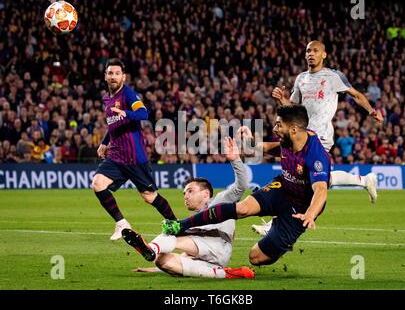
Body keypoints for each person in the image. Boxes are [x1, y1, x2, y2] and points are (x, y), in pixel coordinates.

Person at [162, 105, 330, 267]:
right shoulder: (290, 139)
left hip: (300, 209)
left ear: (293, 129)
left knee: (255, 258)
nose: (275, 129)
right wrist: (251, 142)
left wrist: (310, 214)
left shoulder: (316, 155)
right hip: (282, 188)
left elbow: (321, 189)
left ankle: (279, 230)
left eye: (279, 125)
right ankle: (181, 225)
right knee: (242, 208)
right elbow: (273, 149)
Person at [251, 40, 383, 236]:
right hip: (300, 134)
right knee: (318, 179)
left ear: (324, 55)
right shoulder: (301, 79)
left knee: (300, 180)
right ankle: (364, 180)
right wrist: (281, 100)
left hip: (320, 135)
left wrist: (372, 111)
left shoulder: (333, 76)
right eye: (308, 51)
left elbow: (355, 95)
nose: (311, 53)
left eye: (315, 50)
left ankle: (274, 224)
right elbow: (293, 108)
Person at [122, 137, 254, 279]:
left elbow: (242, 185)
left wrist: (235, 160)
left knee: (172, 233)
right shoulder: (196, 219)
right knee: (162, 261)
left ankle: (151, 248)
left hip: (218, 246)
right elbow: (190, 246)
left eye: (190, 191)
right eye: (184, 193)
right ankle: (225, 273)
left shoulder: (221, 201)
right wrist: (156, 269)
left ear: (205, 194)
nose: (185, 196)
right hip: (205, 254)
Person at [92, 58, 177, 240]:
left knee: (149, 196)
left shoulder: (128, 95)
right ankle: (122, 224)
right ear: (105, 76)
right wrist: (105, 142)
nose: (113, 76)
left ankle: (176, 224)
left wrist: (127, 113)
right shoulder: (107, 98)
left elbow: (143, 113)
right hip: (115, 156)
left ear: (124, 77)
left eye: (117, 73)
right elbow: (113, 124)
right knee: (98, 184)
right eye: (110, 73)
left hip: (134, 157)